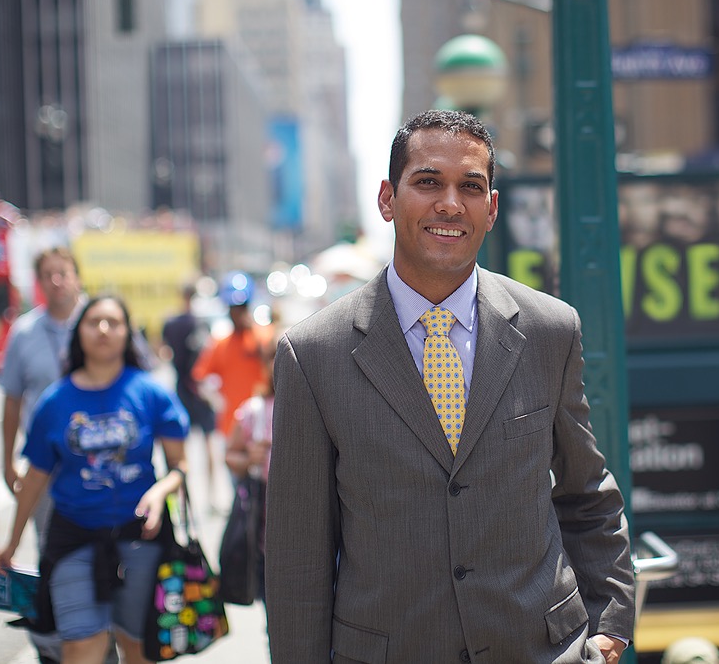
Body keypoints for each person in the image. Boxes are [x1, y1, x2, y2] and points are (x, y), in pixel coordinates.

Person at [265, 110, 635, 663]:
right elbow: (299, 555)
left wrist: (609, 628)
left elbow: (587, 495)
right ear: (387, 199)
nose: (450, 204)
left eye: (471, 187)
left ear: (492, 209)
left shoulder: (550, 330)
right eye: (428, 181)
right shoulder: (313, 354)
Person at [0, 295, 190, 664]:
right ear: (78, 333)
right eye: (93, 321)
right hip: (74, 538)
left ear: (127, 334)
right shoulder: (54, 401)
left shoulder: (150, 392)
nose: (103, 330)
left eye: (113, 322)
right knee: (80, 645)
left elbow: (180, 466)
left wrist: (159, 491)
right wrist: (12, 542)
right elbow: (35, 478)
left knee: (138, 649)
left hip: (140, 539)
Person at [0, 246, 85, 664]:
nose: (56, 281)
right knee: (51, 551)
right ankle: (53, 646)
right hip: (44, 469)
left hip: (97, 467)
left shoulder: (101, 322)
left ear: (77, 277)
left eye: (62, 272)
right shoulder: (24, 332)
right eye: (48, 274)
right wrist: (6, 461)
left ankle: (100, 641)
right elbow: (12, 401)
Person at [223, 338, 276, 604]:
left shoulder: (320, 403)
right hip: (267, 533)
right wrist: (249, 459)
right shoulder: (255, 410)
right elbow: (230, 455)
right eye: (274, 356)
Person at [191, 274, 270, 453]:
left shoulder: (264, 337)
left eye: (241, 307)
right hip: (232, 427)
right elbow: (200, 377)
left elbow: (274, 369)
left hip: (263, 426)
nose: (237, 313)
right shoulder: (221, 344)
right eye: (234, 308)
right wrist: (216, 400)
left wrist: (254, 334)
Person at [160, 283, 219, 504]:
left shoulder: (171, 323)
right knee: (208, 441)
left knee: (179, 444)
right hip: (199, 388)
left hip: (182, 388)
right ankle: (212, 496)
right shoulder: (201, 322)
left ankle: (182, 496)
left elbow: (164, 352)